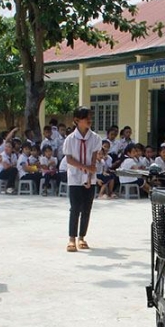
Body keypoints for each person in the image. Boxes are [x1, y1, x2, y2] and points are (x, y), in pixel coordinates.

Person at [62, 106, 101, 252]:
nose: (89, 120)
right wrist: (84, 168)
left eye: (90, 117)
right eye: (86, 118)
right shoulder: (70, 139)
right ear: (77, 120)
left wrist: (89, 176)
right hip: (74, 177)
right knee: (75, 208)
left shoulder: (95, 138)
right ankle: (71, 238)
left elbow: (93, 159)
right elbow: (69, 159)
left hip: (89, 177)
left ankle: (82, 237)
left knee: (87, 208)